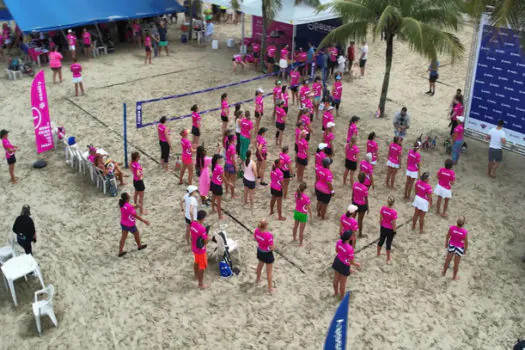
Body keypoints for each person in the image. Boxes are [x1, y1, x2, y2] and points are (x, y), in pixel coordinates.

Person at [118, 192, 149, 257]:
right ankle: (139, 246)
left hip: (123, 224)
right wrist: (144, 221)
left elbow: (129, 207)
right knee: (137, 234)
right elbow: (136, 215)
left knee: (123, 238)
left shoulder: (122, 204)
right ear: (127, 199)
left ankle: (120, 251)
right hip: (130, 225)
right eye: (129, 196)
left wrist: (136, 206)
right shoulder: (129, 207)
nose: (130, 196)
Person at [332, 231, 360, 300]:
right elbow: (351, 261)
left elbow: (337, 251)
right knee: (343, 283)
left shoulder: (339, 242)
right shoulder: (350, 249)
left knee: (336, 279)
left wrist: (343, 254)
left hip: (337, 261)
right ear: (350, 238)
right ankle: (342, 298)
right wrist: (357, 264)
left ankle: (335, 293)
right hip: (344, 265)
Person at [442, 216, 468, 280]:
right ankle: (454, 277)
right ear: (463, 223)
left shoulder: (452, 228)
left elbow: (447, 236)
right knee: (456, 264)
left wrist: (446, 243)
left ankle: (444, 272)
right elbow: (466, 242)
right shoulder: (464, 232)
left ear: (456, 222)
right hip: (459, 248)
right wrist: (465, 250)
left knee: (447, 260)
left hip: (451, 246)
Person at [254, 219, 276, 293]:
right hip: (267, 253)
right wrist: (272, 248)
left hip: (260, 251)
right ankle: (270, 289)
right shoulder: (268, 235)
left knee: (260, 265)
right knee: (269, 272)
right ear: (266, 226)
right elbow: (271, 247)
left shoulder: (257, 230)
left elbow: (255, 238)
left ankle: (257, 279)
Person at [191, 210, 210, 289]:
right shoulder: (202, 229)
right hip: (201, 250)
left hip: (194, 247)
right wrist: (209, 238)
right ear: (203, 218)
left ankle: (195, 276)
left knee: (196, 262)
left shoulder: (193, 223)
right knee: (202, 267)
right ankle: (201, 284)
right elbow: (206, 241)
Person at [377, 196, 397, 263]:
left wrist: (381, 226)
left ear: (387, 202)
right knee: (388, 243)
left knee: (381, 241)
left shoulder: (383, 208)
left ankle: (378, 253)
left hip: (383, 227)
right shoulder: (394, 212)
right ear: (393, 203)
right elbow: (393, 223)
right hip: (389, 229)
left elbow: (380, 219)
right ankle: (388, 258)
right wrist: (394, 231)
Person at [210, 154, 230, 220]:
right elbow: (223, 177)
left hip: (213, 183)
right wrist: (228, 183)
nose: (221, 160)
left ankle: (213, 209)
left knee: (213, 198)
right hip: (218, 186)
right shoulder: (219, 167)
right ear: (217, 160)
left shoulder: (213, 166)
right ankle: (219, 216)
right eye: (220, 159)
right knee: (219, 203)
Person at [351, 172, 369, 238]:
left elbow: (353, 193)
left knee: (352, 218)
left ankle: (350, 230)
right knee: (360, 220)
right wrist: (368, 207)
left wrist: (352, 200)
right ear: (364, 179)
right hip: (361, 205)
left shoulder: (355, 184)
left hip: (355, 203)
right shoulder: (365, 188)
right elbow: (366, 199)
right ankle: (360, 234)